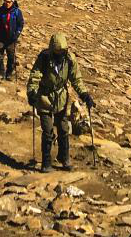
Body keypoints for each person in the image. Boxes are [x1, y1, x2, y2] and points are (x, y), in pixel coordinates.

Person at [26, 32, 94, 172]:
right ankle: (46, 162)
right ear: (52, 50)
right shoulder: (44, 58)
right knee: (48, 130)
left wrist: (84, 94)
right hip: (44, 97)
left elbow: (76, 79)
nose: (60, 54)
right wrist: (32, 92)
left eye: (62, 51)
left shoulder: (69, 59)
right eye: (57, 52)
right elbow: (35, 76)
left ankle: (64, 158)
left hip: (61, 98)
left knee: (63, 129)